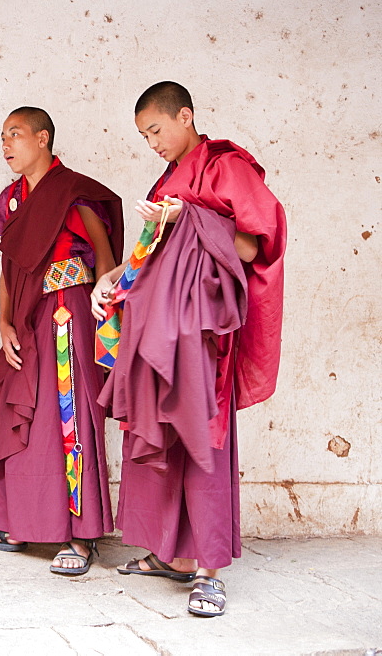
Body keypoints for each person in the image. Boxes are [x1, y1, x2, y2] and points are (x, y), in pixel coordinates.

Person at [92, 81, 286, 616]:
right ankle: (170, 556)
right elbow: (150, 255)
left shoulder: (226, 168)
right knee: (164, 442)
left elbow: (251, 245)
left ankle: (208, 571)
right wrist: (107, 281)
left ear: (186, 115)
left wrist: (189, 216)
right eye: (144, 136)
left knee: (204, 439)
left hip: (203, 337)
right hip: (158, 333)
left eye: (156, 130)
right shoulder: (168, 180)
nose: (152, 143)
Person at [0, 107, 124, 576]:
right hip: (25, 316)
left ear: (43, 138)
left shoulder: (75, 194)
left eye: (15, 134)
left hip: (69, 312)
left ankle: (82, 536)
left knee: (68, 415)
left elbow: (108, 265)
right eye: (2, 135)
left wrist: (106, 322)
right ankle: (12, 524)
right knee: (3, 406)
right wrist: (3, 324)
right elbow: (8, 270)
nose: (6, 144)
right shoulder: (11, 200)